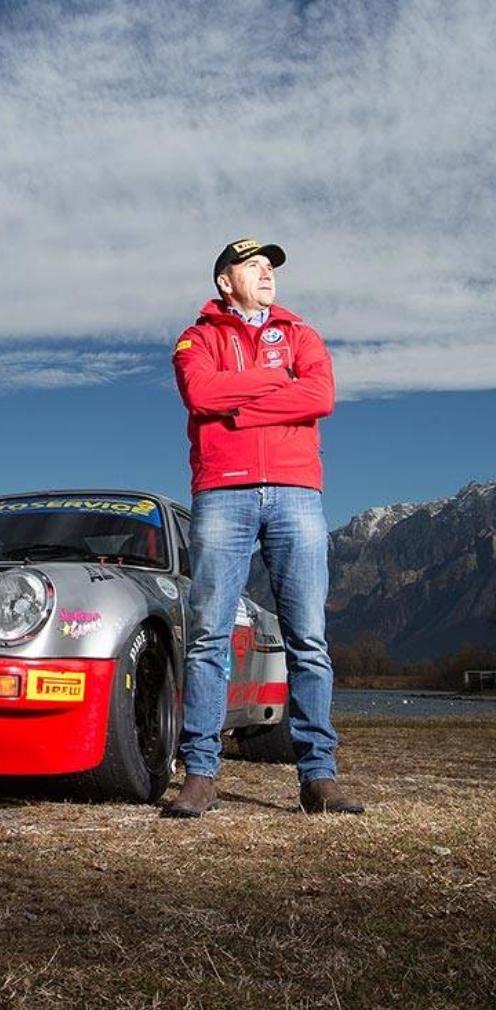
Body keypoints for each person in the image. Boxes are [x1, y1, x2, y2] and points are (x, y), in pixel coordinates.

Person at [163, 238, 363, 817]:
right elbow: (200, 392)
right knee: (208, 636)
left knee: (309, 640)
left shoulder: (301, 333)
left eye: (271, 266)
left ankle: (318, 777)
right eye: (253, 266)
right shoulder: (197, 337)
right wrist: (279, 386)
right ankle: (200, 773)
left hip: (297, 492)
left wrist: (241, 405)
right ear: (226, 281)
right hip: (223, 491)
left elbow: (321, 394)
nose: (267, 273)